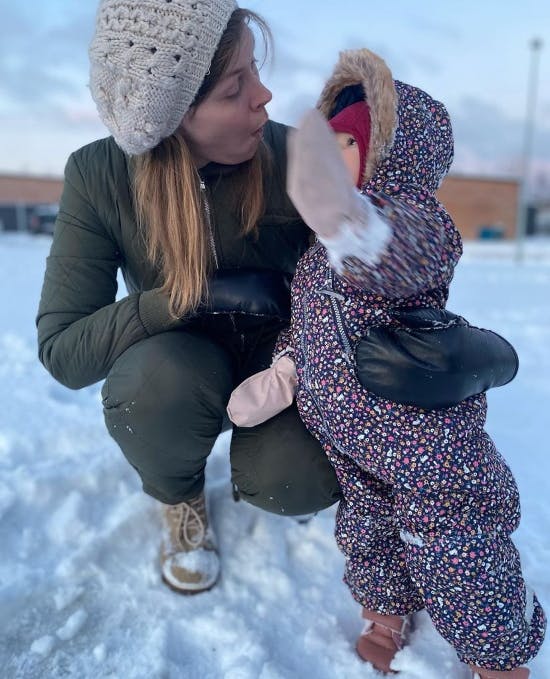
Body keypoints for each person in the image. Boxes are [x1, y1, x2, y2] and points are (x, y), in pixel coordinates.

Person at [35, 0, 520, 600]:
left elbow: (402, 233)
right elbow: (64, 351)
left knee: (298, 479)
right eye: (237, 87)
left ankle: (271, 466)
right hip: (179, 364)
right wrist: (180, 301)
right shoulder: (99, 175)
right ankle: (181, 500)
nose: (265, 96)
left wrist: (426, 338)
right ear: (177, 114)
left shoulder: (297, 156)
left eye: (255, 72)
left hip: (287, 363)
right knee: (149, 389)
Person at [228, 49, 545, 677]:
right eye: (333, 139)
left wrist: (357, 226)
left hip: (420, 435)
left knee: (456, 542)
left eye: (351, 142)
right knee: (366, 526)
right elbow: (313, 321)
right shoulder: (320, 250)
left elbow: (399, 255)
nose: (333, 155)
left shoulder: (415, 225)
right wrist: (287, 370)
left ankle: (499, 655)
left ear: (390, 155)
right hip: (348, 430)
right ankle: (386, 610)